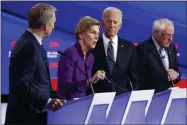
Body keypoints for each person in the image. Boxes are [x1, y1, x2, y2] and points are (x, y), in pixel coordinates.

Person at [5, 3, 66, 124]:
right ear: (46, 26)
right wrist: (47, 102)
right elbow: (22, 84)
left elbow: (42, 83)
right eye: (53, 22)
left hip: (35, 116)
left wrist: (59, 99)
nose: (54, 26)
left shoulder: (33, 43)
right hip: (25, 118)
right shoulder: (28, 46)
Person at [91, 7, 139, 95]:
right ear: (102, 23)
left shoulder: (130, 48)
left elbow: (134, 79)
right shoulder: (92, 46)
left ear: (120, 25)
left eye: (115, 22)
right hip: (97, 98)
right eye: (109, 21)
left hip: (122, 98)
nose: (112, 25)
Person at [57, 16, 106, 101]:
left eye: (98, 34)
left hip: (83, 104)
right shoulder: (70, 54)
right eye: (93, 33)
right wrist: (89, 81)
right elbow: (64, 87)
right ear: (81, 34)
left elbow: (86, 89)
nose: (96, 37)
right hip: (68, 105)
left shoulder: (90, 57)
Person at [136, 18, 181, 93]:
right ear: (156, 33)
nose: (171, 39)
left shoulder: (172, 48)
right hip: (151, 96)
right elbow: (139, 79)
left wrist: (177, 75)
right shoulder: (142, 50)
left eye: (172, 35)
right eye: (167, 35)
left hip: (168, 95)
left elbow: (175, 72)